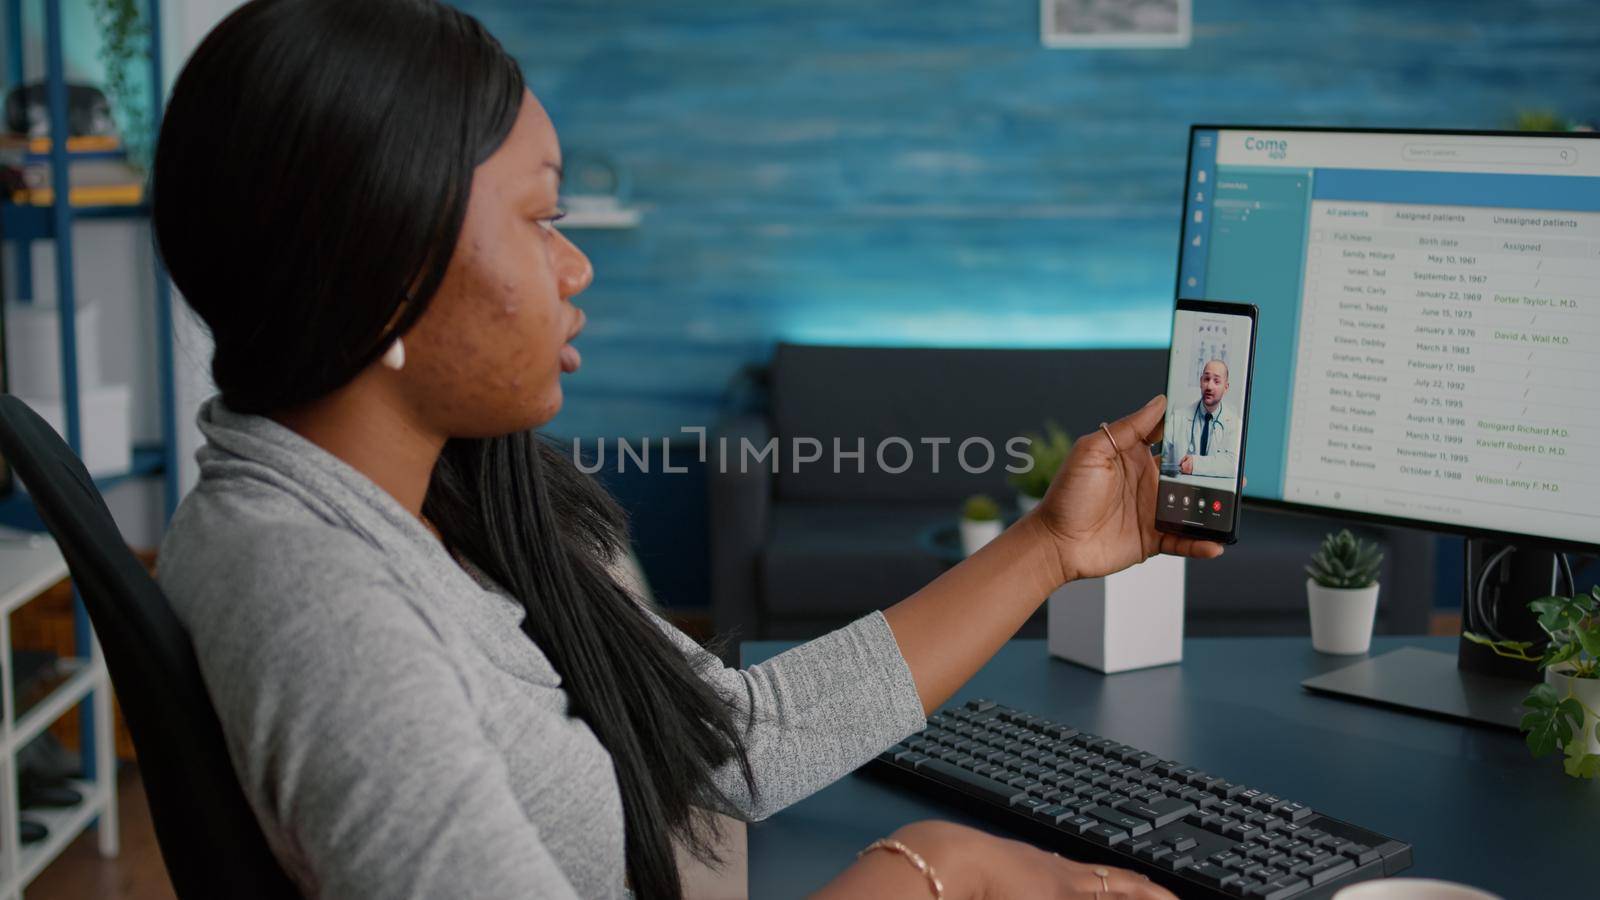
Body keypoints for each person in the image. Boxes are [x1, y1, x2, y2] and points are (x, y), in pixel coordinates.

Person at [149, 2, 1223, 898]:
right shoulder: (324, 605)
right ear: (385, 263)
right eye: (538, 218)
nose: (576, 269)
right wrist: (940, 870)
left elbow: (732, 740)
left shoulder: (436, 500)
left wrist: (1048, 545)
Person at [1175, 359, 1240, 477]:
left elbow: (1233, 465)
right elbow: (1166, 458)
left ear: (1226, 387)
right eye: (1206, 379)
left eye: (1216, 381)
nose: (1209, 386)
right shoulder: (1178, 417)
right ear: (1200, 382)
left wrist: (1195, 464)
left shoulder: (1235, 424)